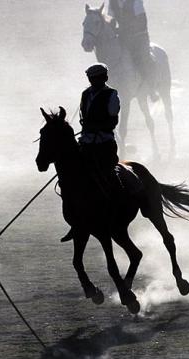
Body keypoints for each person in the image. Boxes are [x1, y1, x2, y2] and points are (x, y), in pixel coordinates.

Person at [60, 63, 120, 242]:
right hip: (86, 142)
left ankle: (114, 209)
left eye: (96, 78)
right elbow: (83, 117)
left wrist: (96, 128)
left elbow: (113, 120)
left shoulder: (112, 95)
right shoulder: (85, 94)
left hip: (104, 142)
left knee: (105, 175)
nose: (93, 81)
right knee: (70, 176)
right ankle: (75, 221)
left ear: (104, 78)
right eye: (91, 79)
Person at [107, 0, 156, 98]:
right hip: (123, 37)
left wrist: (125, 30)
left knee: (144, 59)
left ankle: (151, 89)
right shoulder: (112, 2)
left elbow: (141, 20)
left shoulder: (135, 1)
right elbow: (110, 20)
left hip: (139, 36)